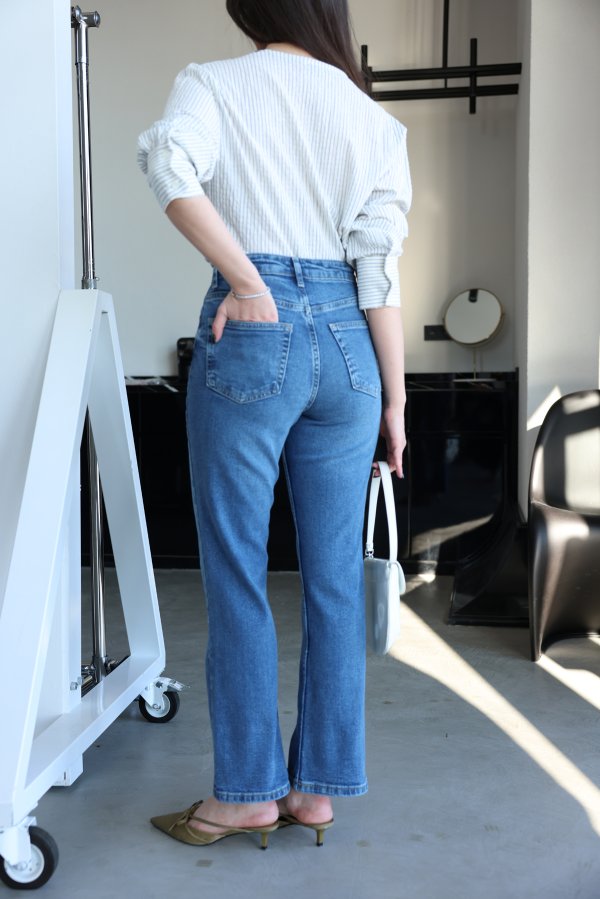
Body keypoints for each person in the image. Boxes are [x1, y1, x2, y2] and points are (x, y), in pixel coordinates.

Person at [137, 0, 411, 850]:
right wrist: (396, 399)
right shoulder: (372, 118)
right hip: (352, 342)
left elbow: (168, 164)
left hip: (256, 333)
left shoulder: (215, 82)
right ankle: (316, 790)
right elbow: (379, 268)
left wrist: (249, 282)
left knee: (237, 569)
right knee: (333, 578)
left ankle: (248, 794)